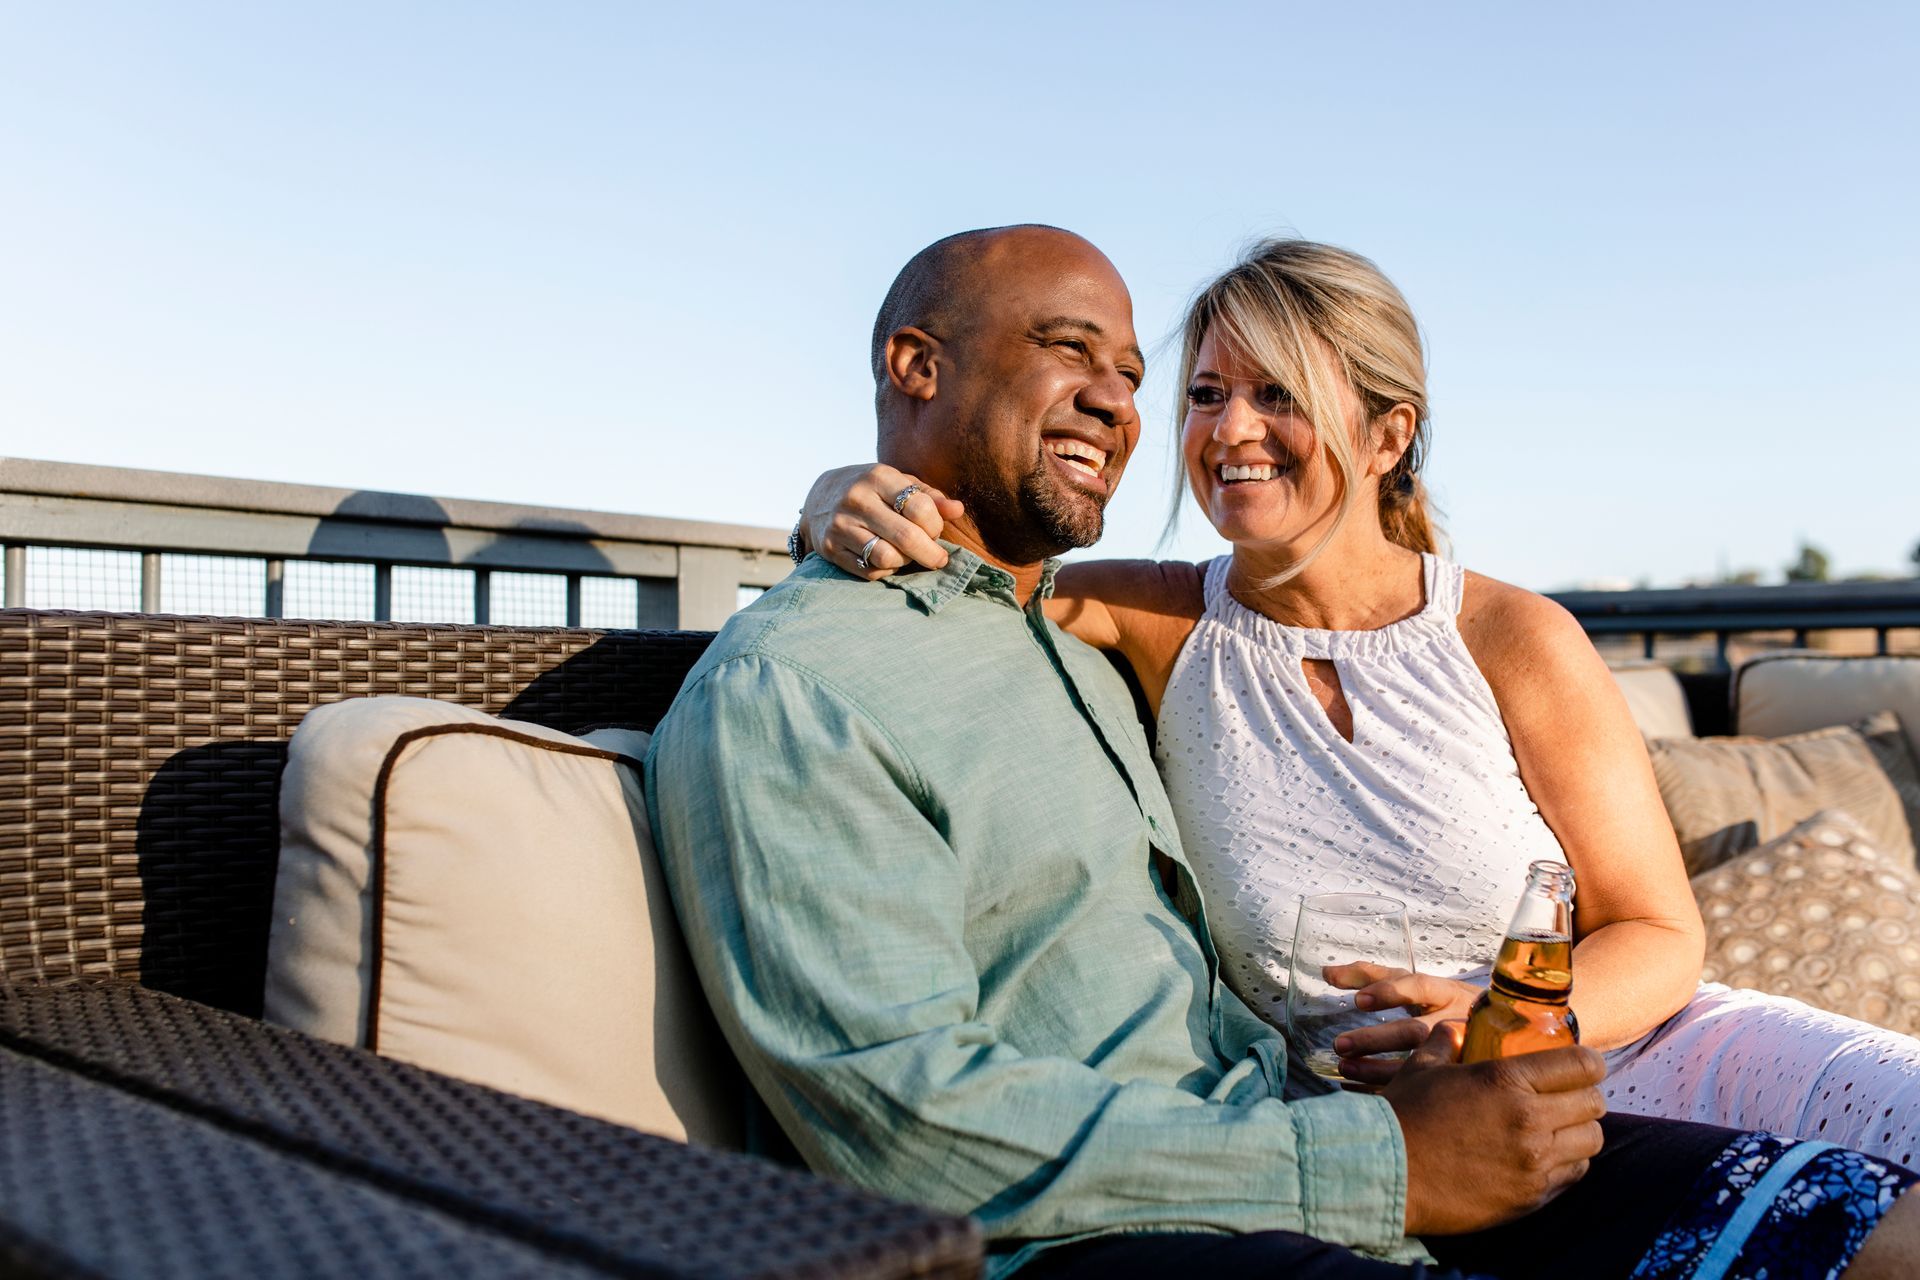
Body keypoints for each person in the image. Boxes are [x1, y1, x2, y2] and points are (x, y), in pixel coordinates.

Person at [650, 224, 1920, 1279]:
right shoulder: (1133, 618)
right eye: (1204, 391)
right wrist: (837, 498)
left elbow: (1660, 926)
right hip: (1357, 1132)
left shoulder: (1506, 633)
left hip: (1596, 1047)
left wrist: (1502, 1024)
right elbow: (948, 575)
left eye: (1276, 392)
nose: (1220, 425)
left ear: (1385, 434)